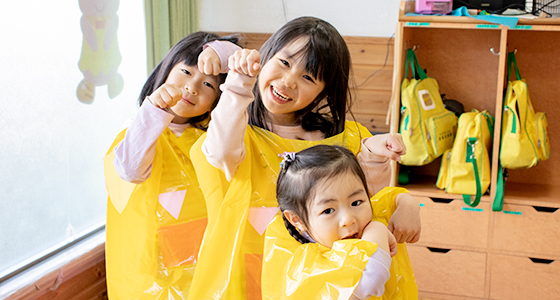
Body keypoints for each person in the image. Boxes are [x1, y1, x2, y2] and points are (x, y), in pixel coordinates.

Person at [188, 17, 421, 299]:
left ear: (324, 91)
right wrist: (239, 82)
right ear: (265, 56)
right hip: (247, 276)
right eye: (284, 63)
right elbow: (221, 151)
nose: (288, 82)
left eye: (308, 77)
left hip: (321, 282)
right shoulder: (237, 133)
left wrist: (403, 199)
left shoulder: (341, 137)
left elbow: (367, 200)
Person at [103, 31, 241, 300]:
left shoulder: (214, 140)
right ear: (165, 70)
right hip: (148, 274)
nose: (192, 87)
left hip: (204, 271)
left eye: (209, 85)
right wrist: (155, 109)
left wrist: (219, 52)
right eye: (186, 72)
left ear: (216, 101)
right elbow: (130, 169)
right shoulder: (138, 130)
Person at [263, 144, 418, 299]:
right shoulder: (305, 266)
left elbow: (386, 200)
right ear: (297, 220)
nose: (348, 219)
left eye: (356, 202)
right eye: (328, 210)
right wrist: (377, 230)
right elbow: (368, 283)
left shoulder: (362, 222)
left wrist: (407, 204)